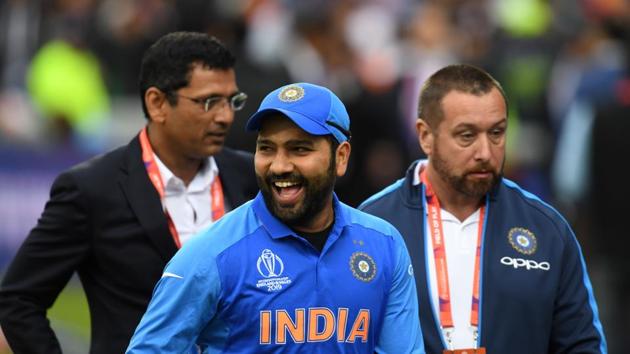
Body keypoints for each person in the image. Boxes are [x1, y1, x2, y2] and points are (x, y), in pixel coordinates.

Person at [0, 31, 258, 354]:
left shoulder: (251, 176)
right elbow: (18, 298)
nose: (225, 116)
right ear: (157, 103)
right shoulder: (92, 189)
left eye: (232, 101)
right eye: (209, 102)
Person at [126, 82, 425, 353]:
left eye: (299, 149)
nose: (279, 166)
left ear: (341, 157)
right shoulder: (211, 255)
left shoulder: (383, 245)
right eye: (267, 148)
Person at [359, 64, 607, 354]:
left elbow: (581, 344)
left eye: (497, 133)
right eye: (466, 136)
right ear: (425, 136)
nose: (486, 152)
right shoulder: (373, 224)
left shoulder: (546, 227)